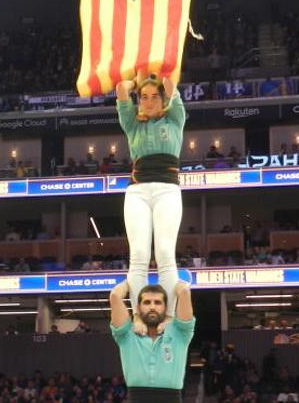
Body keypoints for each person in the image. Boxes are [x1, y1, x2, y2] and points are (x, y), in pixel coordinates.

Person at [115, 73, 186, 334]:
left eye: (154, 96)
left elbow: (170, 83)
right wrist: (136, 81)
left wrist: (157, 67)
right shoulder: (132, 124)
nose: (148, 101)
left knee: (166, 255)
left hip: (168, 190)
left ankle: (167, 316)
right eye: (143, 97)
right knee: (139, 257)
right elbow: (120, 89)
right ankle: (137, 316)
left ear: (164, 99)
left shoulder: (175, 118)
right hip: (137, 193)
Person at [109, 281, 195, 403]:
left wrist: (169, 318)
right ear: (138, 307)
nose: (152, 307)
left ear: (166, 308)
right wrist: (131, 280)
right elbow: (115, 296)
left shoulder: (179, 333)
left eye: (158, 302)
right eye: (147, 302)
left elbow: (184, 291)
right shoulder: (127, 334)